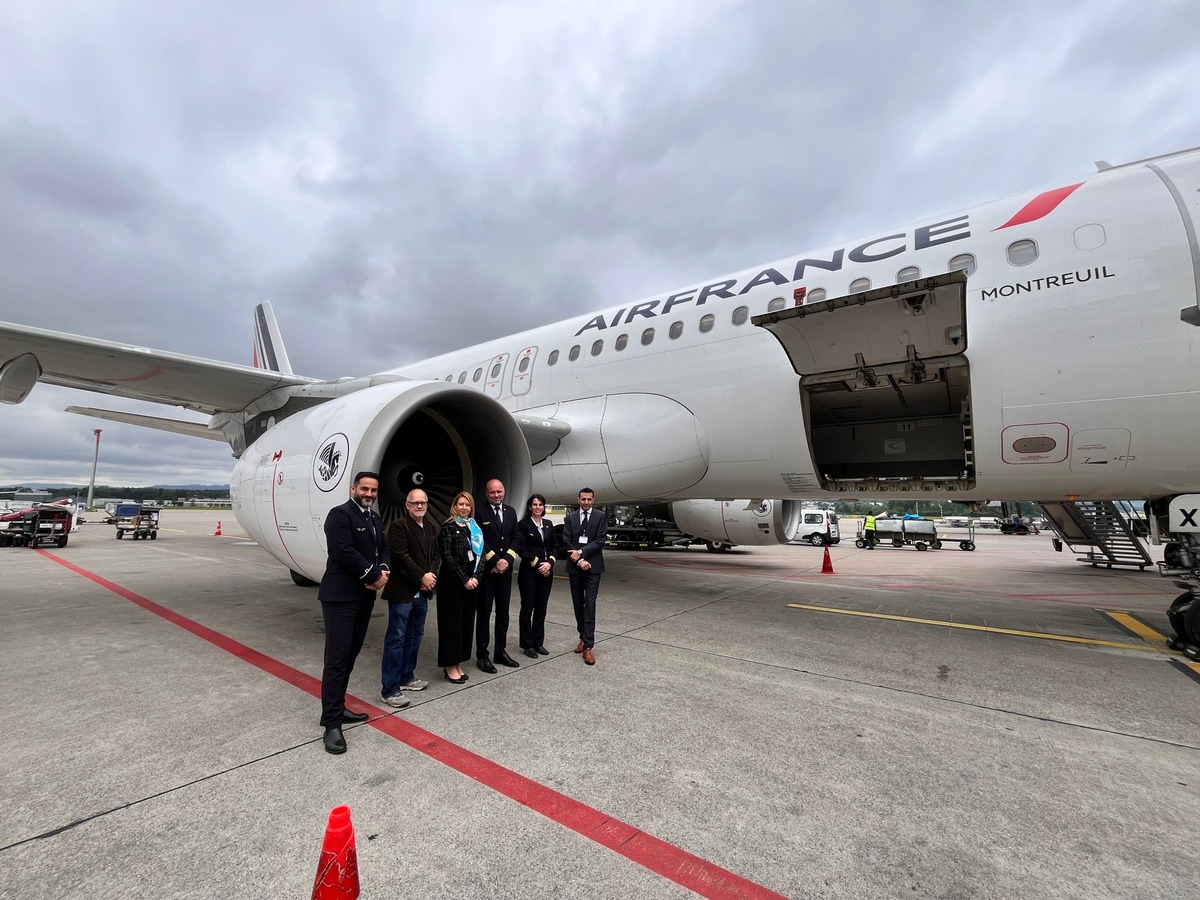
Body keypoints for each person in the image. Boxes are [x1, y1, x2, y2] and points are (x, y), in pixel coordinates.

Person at [318, 471, 390, 755]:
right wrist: (372, 573)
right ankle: (331, 725)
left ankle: (336, 708)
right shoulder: (339, 515)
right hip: (340, 598)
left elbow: (383, 549)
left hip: (364, 597)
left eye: (373, 490)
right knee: (336, 659)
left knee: (350, 656)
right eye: (365, 489)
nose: (369, 494)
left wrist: (383, 570)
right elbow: (343, 551)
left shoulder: (374, 518)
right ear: (353, 488)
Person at [379, 488, 440, 708]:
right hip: (403, 593)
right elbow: (402, 557)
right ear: (407, 505)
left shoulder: (431, 528)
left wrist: (431, 575)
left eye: (423, 502)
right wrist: (422, 577)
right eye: (415, 503)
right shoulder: (398, 527)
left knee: (416, 636)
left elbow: (436, 555)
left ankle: (406, 676)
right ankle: (390, 688)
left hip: (421, 594)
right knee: (396, 639)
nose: (420, 506)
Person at [476, 478, 522, 673]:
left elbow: (516, 538)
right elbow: (478, 539)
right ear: (487, 493)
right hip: (487, 573)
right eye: (492, 492)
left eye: (499, 492)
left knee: (503, 613)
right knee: (484, 614)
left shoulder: (511, 512)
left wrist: (507, 561)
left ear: (503, 491)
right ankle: (482, 655)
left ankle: (500, 651)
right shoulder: (479, 511)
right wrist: (495, 561)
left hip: (505, 573)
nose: (496, 495)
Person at [437, 491, 483, 683]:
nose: (464, 508)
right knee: (451, 625)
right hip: (452, 584)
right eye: (460, 504)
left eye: (467, 505)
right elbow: (447, 557)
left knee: (465, 623)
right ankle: (449, 665)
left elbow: (481, 555)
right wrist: (465, 579)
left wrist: (476, 577)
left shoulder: (474, 527)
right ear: (454, 506)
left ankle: (458, 662)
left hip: (471, 584)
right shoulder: (448, 527)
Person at [562, 487, 606, 665]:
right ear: (578, 499)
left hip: (593, 568)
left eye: (589, 499)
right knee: (577, 604)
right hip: (575, 568)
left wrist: (580, 552)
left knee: (590, 604)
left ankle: (588, 646)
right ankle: (582, 636)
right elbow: (565, 540)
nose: (586, 502)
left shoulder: (600, 516)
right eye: (583, 499)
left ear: (593, 500)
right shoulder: (571, 517)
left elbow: (600, 540)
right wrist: (579, 560)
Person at [516, 493, 556, 659]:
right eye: (535, 504)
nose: (538, 507)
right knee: (527, 609)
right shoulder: (523, 525)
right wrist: (539, 563)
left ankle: (538, 642)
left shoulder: (548, 524)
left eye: (540, 504)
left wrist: (550, 563)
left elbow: (554, 545)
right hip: (529, 573)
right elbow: (521, 549)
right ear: (530, 507)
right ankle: (527, 644)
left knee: (541, 609)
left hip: (547, 573)